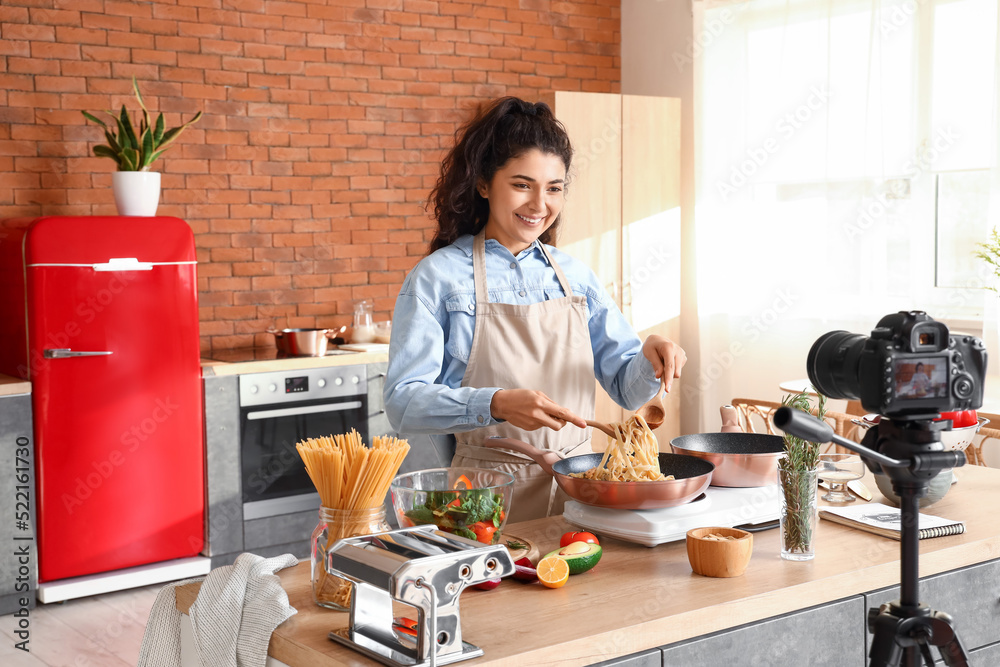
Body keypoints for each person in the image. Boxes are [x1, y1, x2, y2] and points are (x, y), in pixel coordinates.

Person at [383, 97, 687, 522]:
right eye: (522, 184)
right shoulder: (437, 279)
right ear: (484, 184)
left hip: (584, 490)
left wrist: (651, 358)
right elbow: (402, 404)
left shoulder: (575, 276)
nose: (540, 204)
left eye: (554, 188)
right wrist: (496, 403)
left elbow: (627, 389)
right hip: (486, 500)